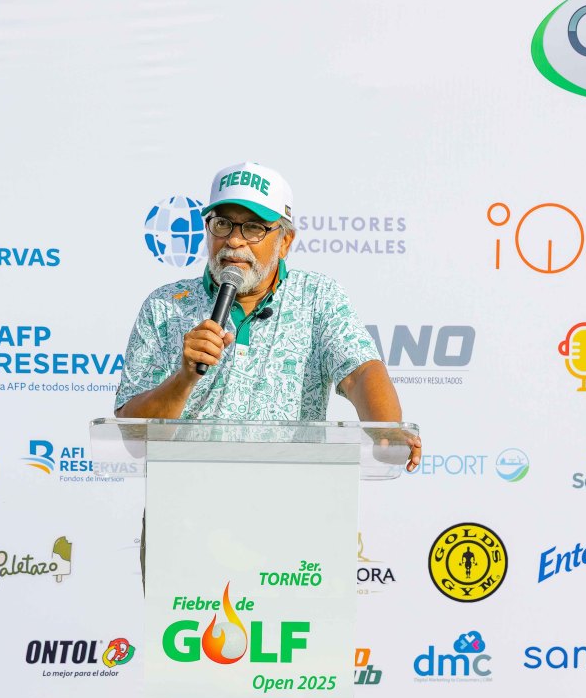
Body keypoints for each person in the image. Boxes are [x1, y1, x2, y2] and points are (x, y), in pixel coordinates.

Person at [115, 158, 421, 471]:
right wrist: (183, 379)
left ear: (285, 241)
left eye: (253, 228)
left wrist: (385, 430)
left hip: (288, 493)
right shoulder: (165, 305)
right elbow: (132, 435)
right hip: (184, 493)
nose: (234, 240)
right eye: (222, 224)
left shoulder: (317, 297)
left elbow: (360, 371)